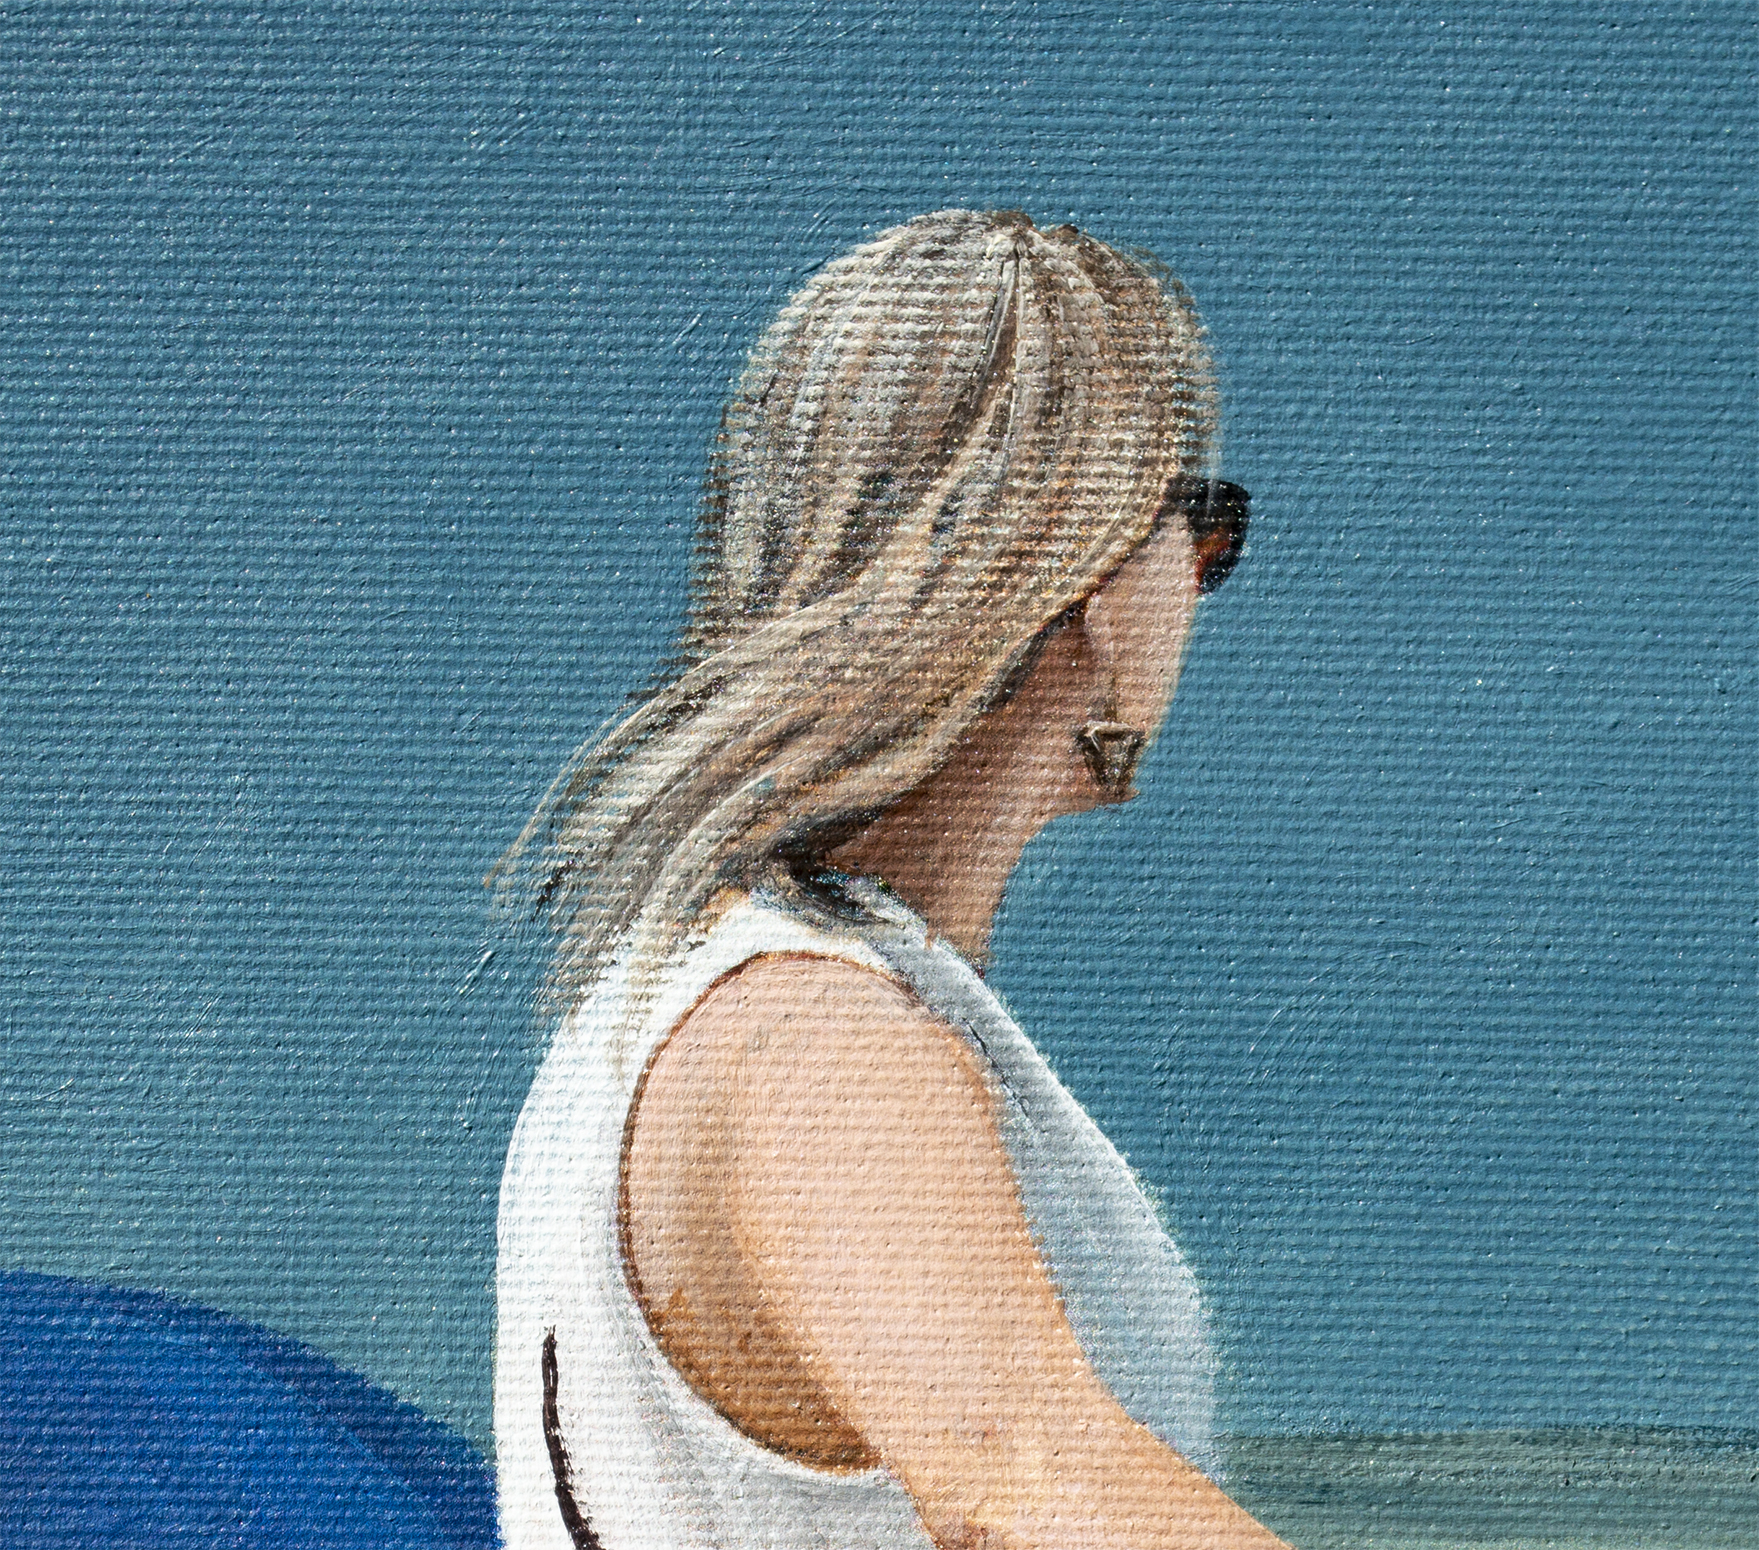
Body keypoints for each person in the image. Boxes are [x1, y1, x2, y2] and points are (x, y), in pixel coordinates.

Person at [494, 209, 1288, 1550]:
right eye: (1202, 528)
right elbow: (1029, 1485)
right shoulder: (817, 1042)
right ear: (1089, 567)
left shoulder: (693, 995)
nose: (1202, 584)